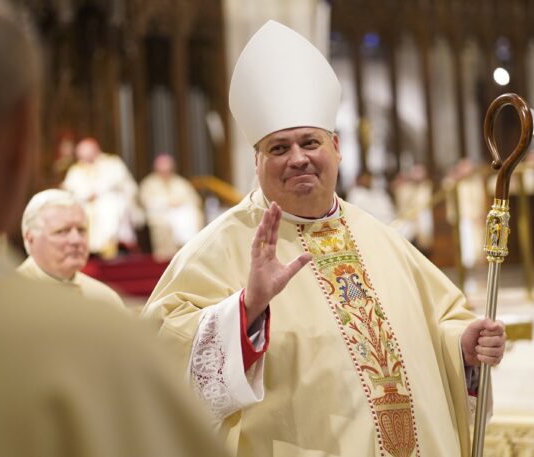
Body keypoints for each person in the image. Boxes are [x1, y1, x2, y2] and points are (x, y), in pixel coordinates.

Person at [143, 20, 506, 457]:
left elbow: (442, 323)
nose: (298, 158)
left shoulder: (382, 239)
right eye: (279, 148)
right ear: (256, 162)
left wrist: (462, 347)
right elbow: (160, 363)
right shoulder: (217, 248)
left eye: (309, 143)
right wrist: (246, 310)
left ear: (335, 147)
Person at [0, 1, 229, 456]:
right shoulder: (98, 345)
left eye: (76, 232)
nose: (72, 240)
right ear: (21, 139)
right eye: (60, 232)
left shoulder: (103, 309)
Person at [18, 189, 124, 308]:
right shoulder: (10, 297)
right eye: (62, 231)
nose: (76, 240)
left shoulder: (106, 299)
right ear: (30, 238)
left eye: (81, 230)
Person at [62, 138, 142, 258]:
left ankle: (111, 248)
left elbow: (121, 183)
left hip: (109, 199)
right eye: (82, 156)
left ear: (96, 150)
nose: (85, 159)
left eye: (88, 154)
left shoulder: (112, 163)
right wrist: (86, 195)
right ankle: (88, 250)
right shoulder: (76, 169)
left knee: (109, 205)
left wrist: (97, 192)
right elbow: (70, 188)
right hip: (85, 202)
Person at [139, 154, 204, 261]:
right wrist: (166, 203)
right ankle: (168, 256)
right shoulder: (149, 183)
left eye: (167, 170)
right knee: (166, 223)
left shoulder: (180, 182)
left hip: (180, 213)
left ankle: (189, 254)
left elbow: (194, 200)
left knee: (191, 216)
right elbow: (146, 201)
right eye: (162, 170)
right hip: (161, 213)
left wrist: (179, 204)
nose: (165, 173)